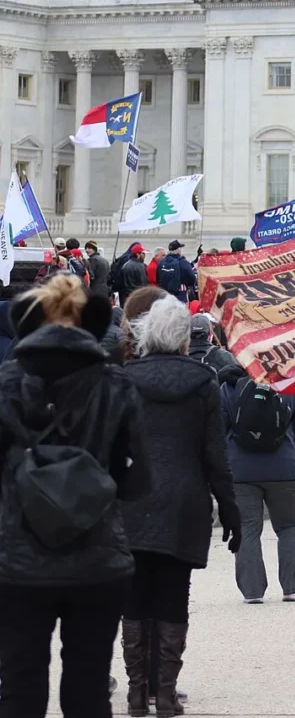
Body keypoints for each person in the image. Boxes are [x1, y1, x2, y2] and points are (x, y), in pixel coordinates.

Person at [0, 274, 151, 717]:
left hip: (16, 558)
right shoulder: (117, 384)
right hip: (98, 556)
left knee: (19, 687)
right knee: (88, 688)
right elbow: (139, 481)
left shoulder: (4, 383)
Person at [121, 296, 242, 717]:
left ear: (145, 335)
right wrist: (230, 509)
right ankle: (166, 695)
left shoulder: (126, 379)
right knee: (174, 597)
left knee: (135, 598)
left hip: (133, 500)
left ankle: (137, 694)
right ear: (184, 340)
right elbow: (215, 455)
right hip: (184, 500)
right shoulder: (203, 381)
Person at [219, 363, 295, 603]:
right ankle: (294, 588)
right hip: (286, 469)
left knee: (247, 527)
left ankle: (252, 591)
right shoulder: (292, 385)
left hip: (240, 470)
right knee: (292, 526)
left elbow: (217, 432)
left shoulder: (227, 387)